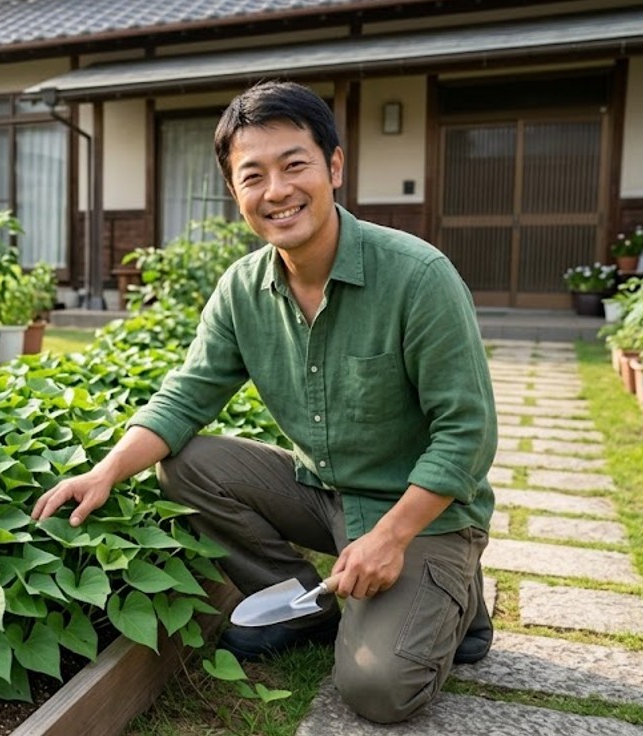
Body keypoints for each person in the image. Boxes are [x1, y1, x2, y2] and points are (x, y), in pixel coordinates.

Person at [31, 80, 496, 724]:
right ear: (236, 193)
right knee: (186, 463)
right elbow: (187, 395)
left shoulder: (417, 276)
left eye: (294, 165)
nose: (276, 191)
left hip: (422, 512)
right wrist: (105, 471)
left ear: (333, 165)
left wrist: (391, 537)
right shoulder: (242, 289)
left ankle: (456, 595)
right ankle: (311, 601)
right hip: (325, 491)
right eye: (254, 175)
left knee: (378, 691)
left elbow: (467, 433)